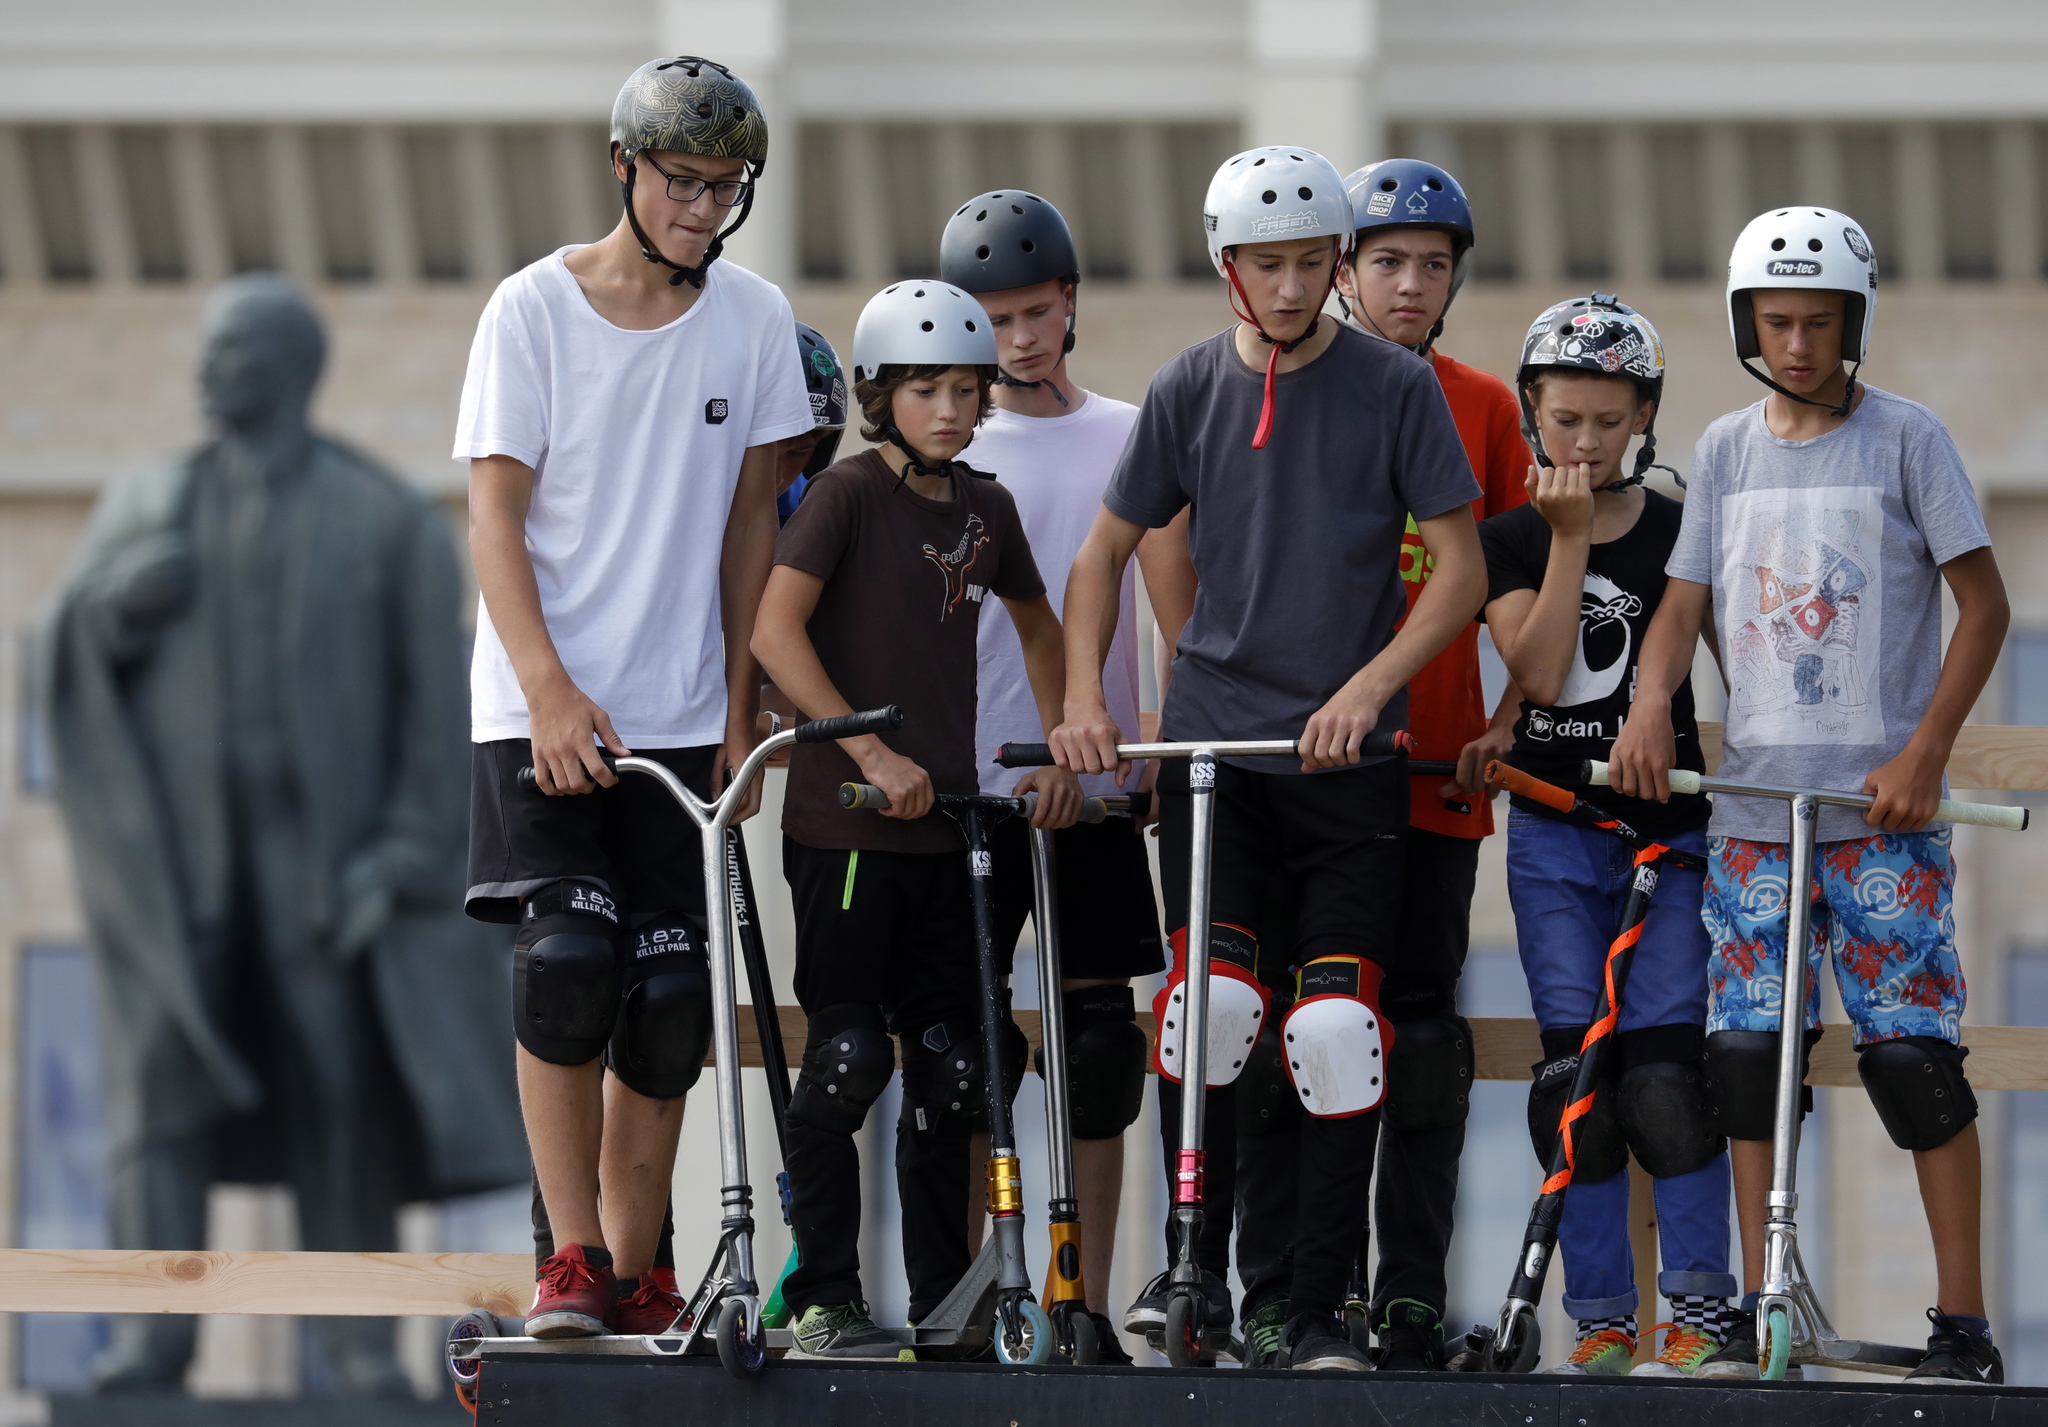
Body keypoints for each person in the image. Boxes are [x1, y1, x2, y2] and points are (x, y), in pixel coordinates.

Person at [1053, 145, 1488, 1373]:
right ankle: (1192, 1270)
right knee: (1215, 1011)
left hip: (1347, 767)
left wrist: (1369, 687)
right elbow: (1100, 560)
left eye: (1311, 263)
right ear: (1224, 264)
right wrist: (1087, 693)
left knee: (1342, 1030)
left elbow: (1456, 571)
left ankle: (1312, 1307)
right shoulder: (1186, 387)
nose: (1293, 288)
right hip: (1215, 760)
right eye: (1268, 265)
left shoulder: (1394, 390)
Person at [1608, 208, 2010, 1386]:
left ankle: (1962, 1325)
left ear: (1854, 323)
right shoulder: (1726, 448)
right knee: (1743, 1059)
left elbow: (1979, 606)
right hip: (1748, 819)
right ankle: (1755, 1299)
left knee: (1912, 1061)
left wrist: (1926, 751)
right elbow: (1679, 608)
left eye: (1819, 323)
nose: (1796, 344)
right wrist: (1647, 701)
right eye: (1776, 322)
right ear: (1746, 324)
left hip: (1877, 819)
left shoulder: (1906, 439)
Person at [457, 55, 813, 1339]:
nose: (702, 208)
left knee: (667, 1001)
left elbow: (745, 530)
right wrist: (548, 688)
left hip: (678, 714)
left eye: (725, 188)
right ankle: (569, 1257)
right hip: (540, 705)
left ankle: (641, 1265)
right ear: (624, 167)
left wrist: (738, 702)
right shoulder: (530, 311)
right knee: (567, 967)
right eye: (681, 181)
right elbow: (494, 515)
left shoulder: (755, 318)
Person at [750, 279, 1081, 1359]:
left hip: (951, 830)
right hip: (845, 826)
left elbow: (1040, 625)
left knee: (955, 1068)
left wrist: (1066, 735)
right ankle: (825, 1293)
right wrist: (867, 746)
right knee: (846, 1058)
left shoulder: (986, 508)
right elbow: (773, 635)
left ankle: (948, 1301)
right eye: (924, 388)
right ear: (877, 394)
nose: (948, 408)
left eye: (965, 388)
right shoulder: (844, 495)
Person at [1480, 295, 1737, 1377]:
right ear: (1531, 412)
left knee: (1669, 1076)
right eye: (1562, 419)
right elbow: (1536, 675)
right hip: (1551, 835)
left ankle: (1696, 1309)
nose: (1582, 443)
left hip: (1665, 838)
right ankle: (1596, 1317)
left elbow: (1741, 667)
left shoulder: (1685, 531)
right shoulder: (1508, 536)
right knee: (1570, 1081)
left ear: (1643, 414)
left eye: (1606, 420)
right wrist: (1569, 540)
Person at [939, 190, 1170, 1364]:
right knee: (967, 1053)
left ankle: (1083, 1294)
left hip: (1094, 782)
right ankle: (984, 1290)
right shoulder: (941, 444)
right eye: (994, 318)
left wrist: (1148, 746)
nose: (1019, 338)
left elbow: (1172, 608)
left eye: (1035, 312)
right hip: (965, 788)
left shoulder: (1132, 436)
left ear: (1069, 304)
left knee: (1095, 1048)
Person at [1327, 156, 1531, 1371]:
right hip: (1312, 781)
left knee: (1426, 1050)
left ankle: (1406, 1294)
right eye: (1388, 261)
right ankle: (1304, 1292)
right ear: (1344, 268)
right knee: (1310, 1040)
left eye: (1432, 265)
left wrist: (1504, 715)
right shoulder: (1297, 393)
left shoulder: (1485, 407)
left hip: (1433, 781)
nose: (1409, 284)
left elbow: (1513, 583)